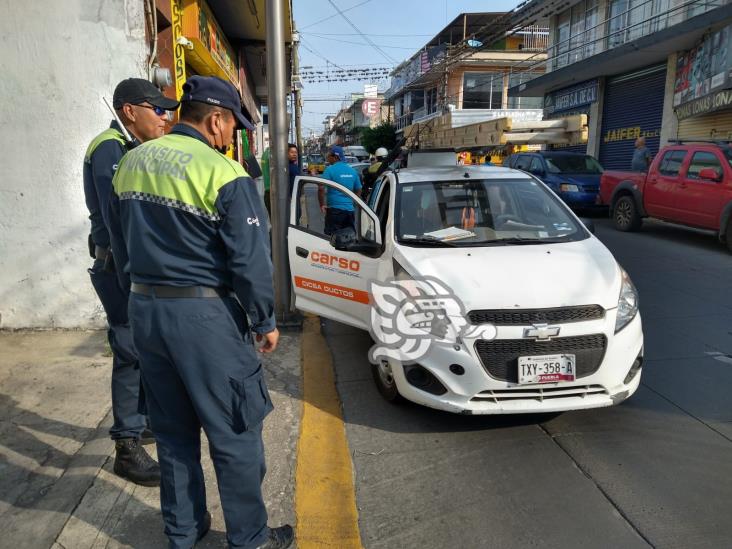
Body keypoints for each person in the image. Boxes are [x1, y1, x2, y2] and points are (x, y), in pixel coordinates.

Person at [107, 75, 293, 549]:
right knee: (235, 435)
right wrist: (263, 320)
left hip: (146, 311)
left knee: (172, 435)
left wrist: (137, 299)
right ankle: (250, 540)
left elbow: (118, 241)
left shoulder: (130, 163)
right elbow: (250, 260)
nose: (232, 136)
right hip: (204, 320)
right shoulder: (222, 172)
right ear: (215, 120)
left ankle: (184, 533)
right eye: (233, 126)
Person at [83, 77, 178, 486]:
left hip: (129, 267)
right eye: (156, 109)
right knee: (128, 350)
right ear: (129, 111)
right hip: (116, 269)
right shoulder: (109, 148)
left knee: (140, 346)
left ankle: (138, 424)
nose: (164, 117)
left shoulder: (128, 148)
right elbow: (115, 217)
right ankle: (126, 447)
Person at [318, 146, 362, 235]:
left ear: (336, 157)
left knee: (332, 239)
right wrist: (353, 203)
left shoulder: (330, 169)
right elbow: (359, 189)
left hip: (334, 211)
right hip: (349, 211)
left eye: (329, 155)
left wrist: (322, 204)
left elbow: (321, 188)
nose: (327, 158)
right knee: (348, 238)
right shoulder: (352, 170)